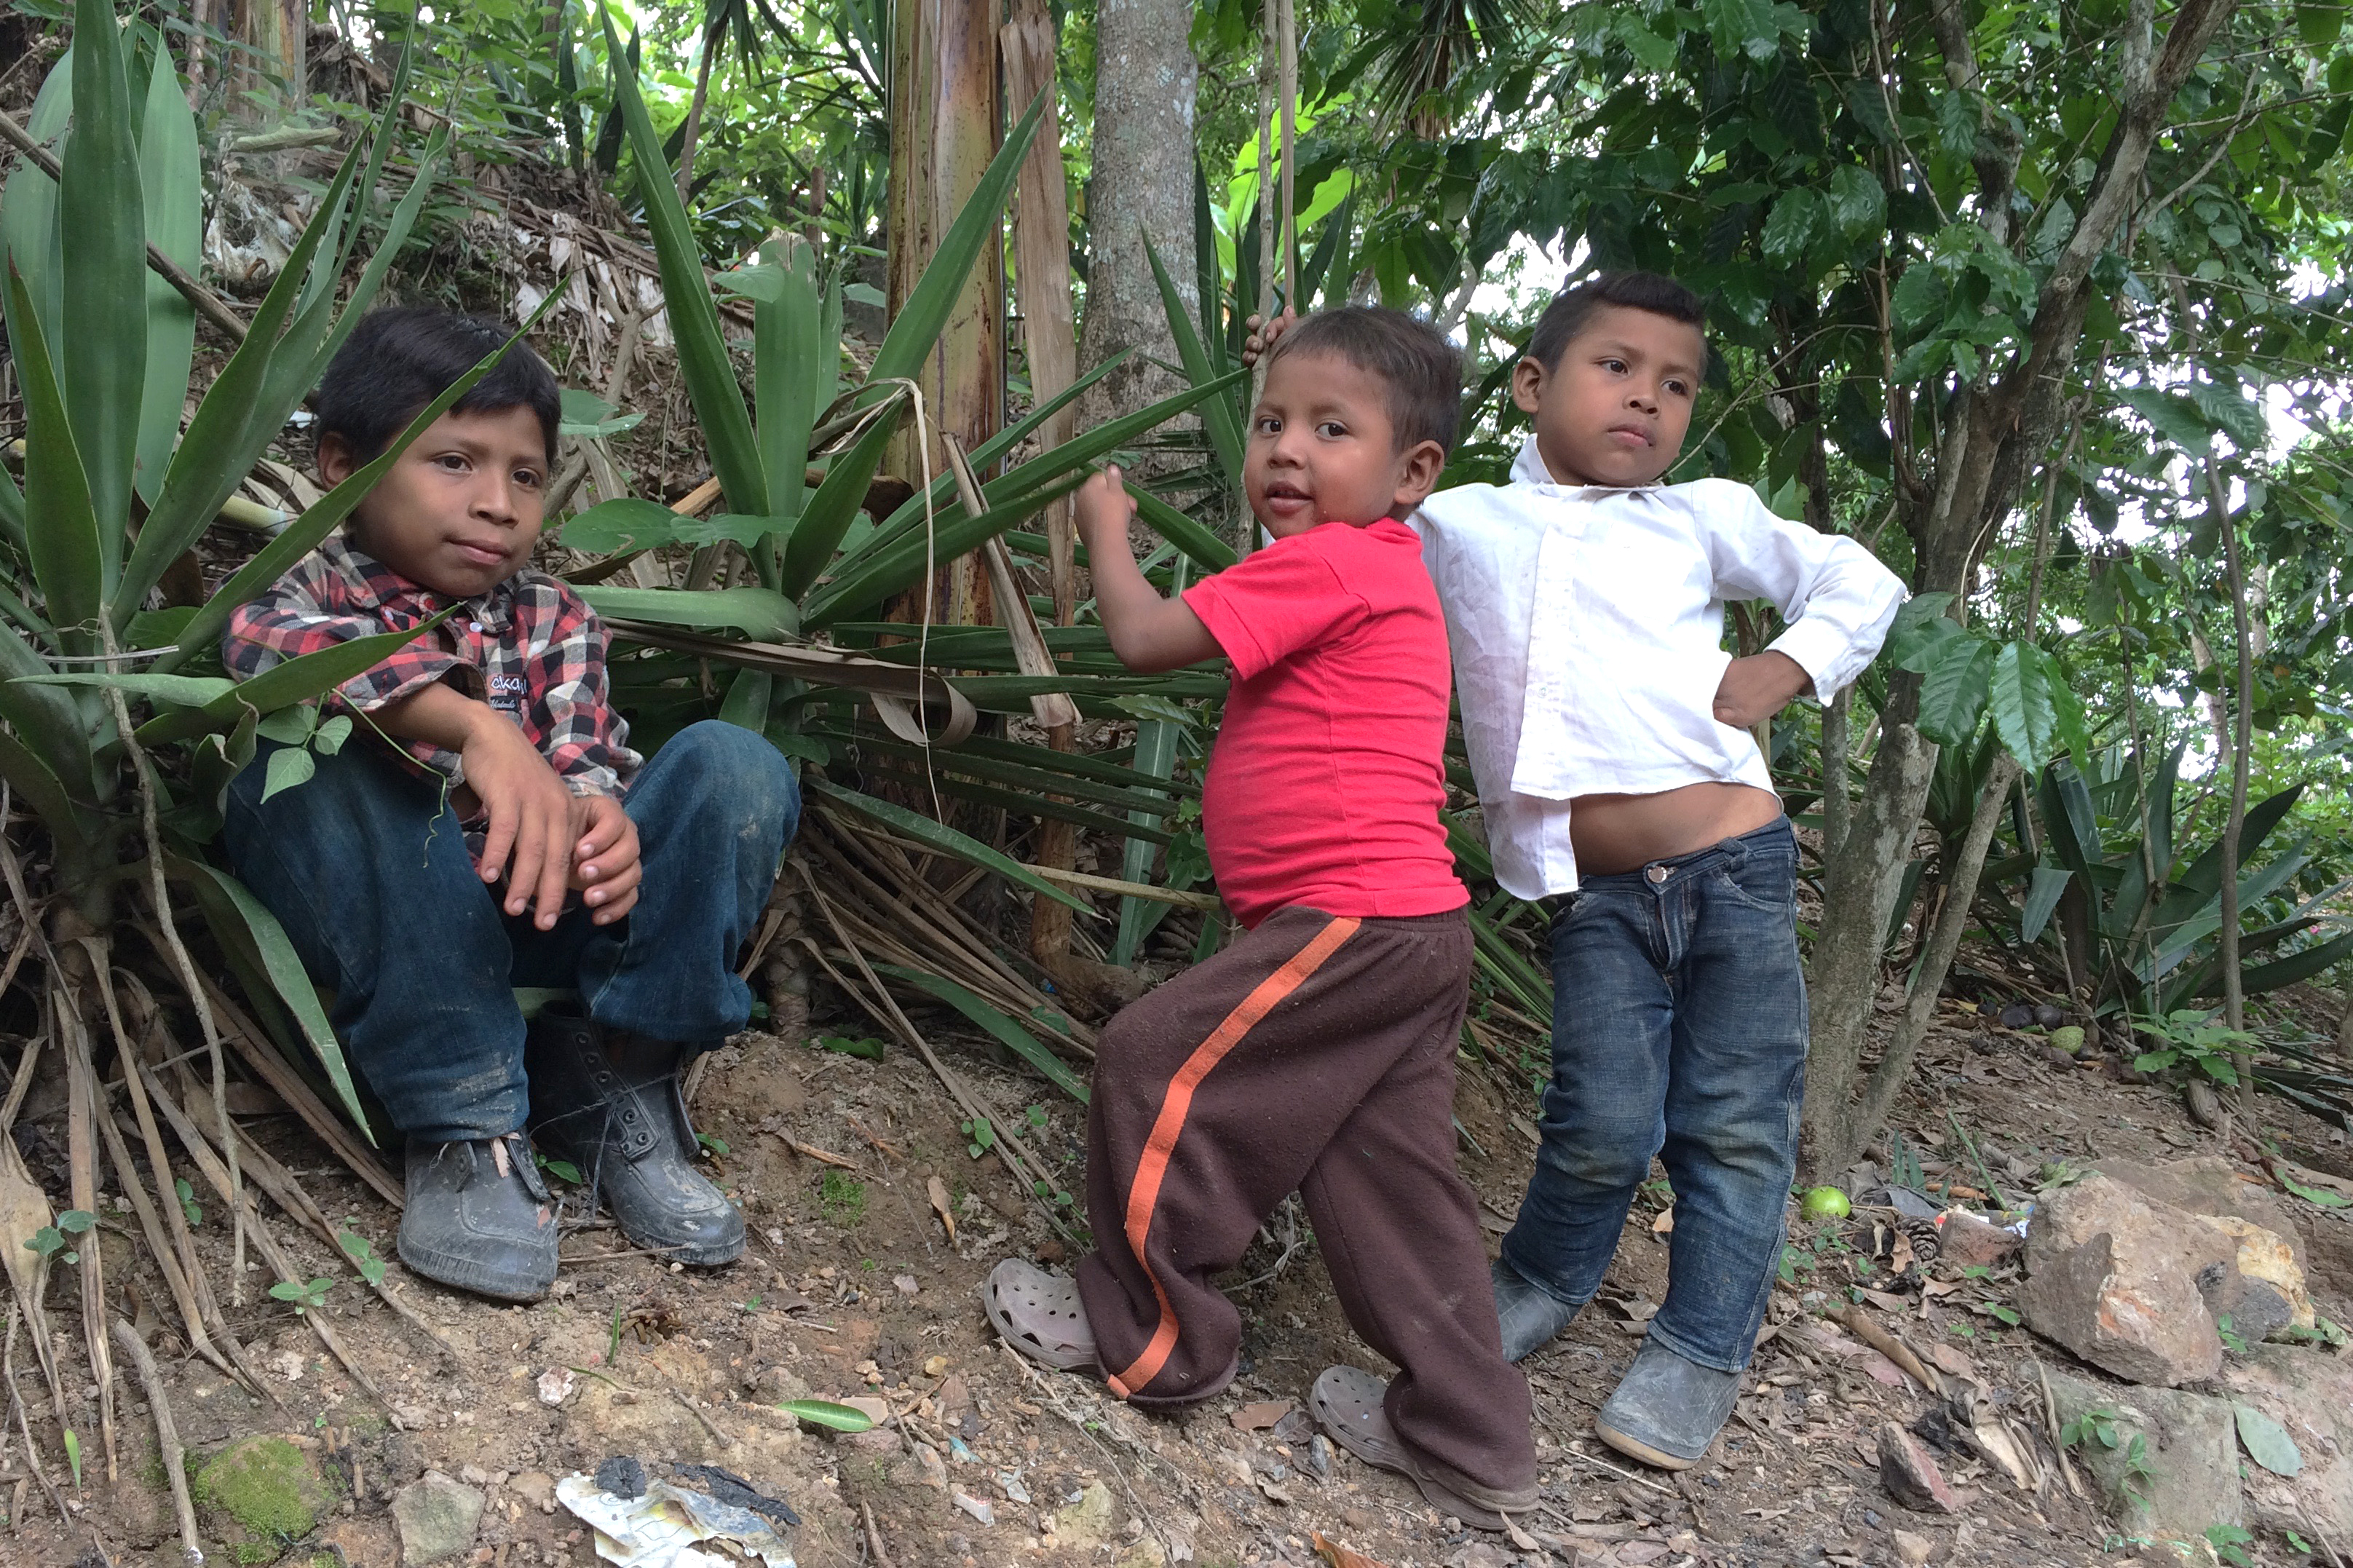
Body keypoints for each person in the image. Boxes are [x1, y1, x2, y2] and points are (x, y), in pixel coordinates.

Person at [983, 308, 1539, 1532]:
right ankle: (1471, 1433)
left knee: (1151, 1057)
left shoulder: (1335, 559)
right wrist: (1297, 364)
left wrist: (1106, 527)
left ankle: (1153, 1335)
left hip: (1351, 917)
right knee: (1388, 1181)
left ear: (1414, 472)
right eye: (1273, 422)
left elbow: (1142, 638)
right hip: (1412, 934)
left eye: (1332, 430)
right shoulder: (1377, 563)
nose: (1288, 447)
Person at [1396, 272, 1905, 1470]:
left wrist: (1787, 665)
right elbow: (1334, 546)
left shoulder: (1700, 517)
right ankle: (1542, 1276)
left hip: (1736, 869)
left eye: (1676, 385)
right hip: (1592, 894)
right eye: (1616, 366)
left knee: (1734, 1124)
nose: (1647, 398)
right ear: (1533, 385)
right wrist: (1287, 374)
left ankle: (1701, 1344)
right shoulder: (1461, 523)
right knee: (1600, 1117)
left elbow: (1859, 577)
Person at [221, 308, 799, 1303]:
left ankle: (623, 1071)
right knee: (308, 748)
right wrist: (474, 728)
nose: (497, 504)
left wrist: (599, 820)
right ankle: (465, 1117)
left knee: (733, 766)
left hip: (535, 908)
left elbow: (582, 756)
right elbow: (268, 655)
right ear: (343, 464)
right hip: (396, 937)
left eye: (525, 476)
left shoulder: (552, 616)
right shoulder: (299, 584)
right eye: (454, 462)